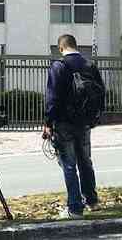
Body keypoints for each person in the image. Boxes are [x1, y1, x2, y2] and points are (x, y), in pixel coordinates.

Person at [44, 34, 105, 220]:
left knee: (69, 165)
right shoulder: (89, 65)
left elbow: (52, 98)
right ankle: (92, 200)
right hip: (85, 122)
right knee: (85, 161)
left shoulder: (59, 66)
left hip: (64, 123)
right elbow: (101, 92)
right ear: (75, 46)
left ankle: (75, 207)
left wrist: (48, 123)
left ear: (61, 48)